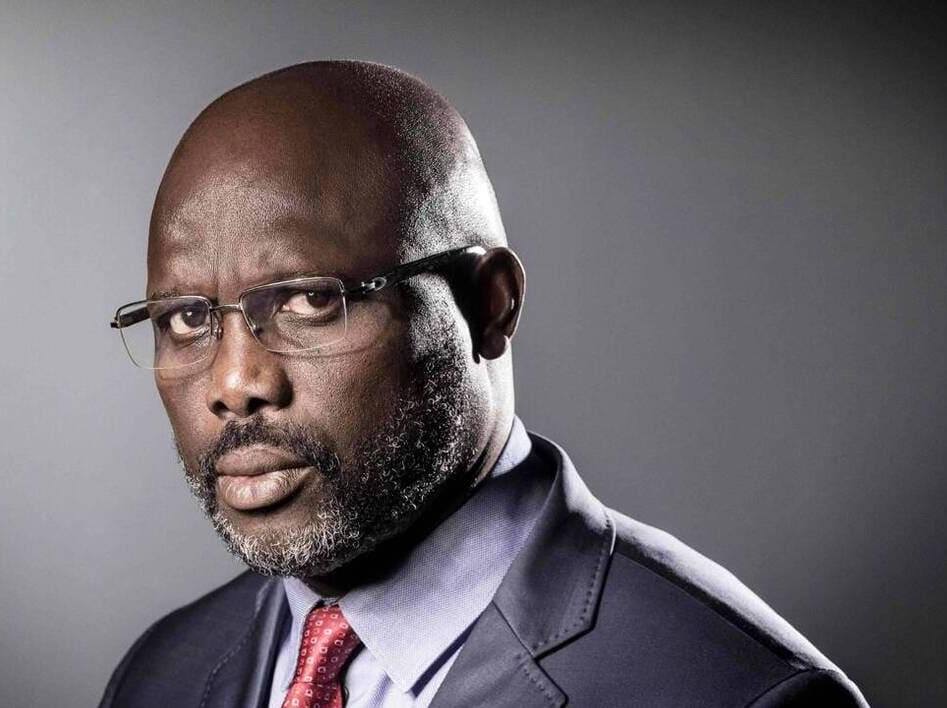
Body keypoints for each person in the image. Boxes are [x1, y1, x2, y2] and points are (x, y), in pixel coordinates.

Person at [100, 60, 867, 708]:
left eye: (309, 300)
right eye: (186, 319)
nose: (235, 383)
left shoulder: (741, 693)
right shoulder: (158, 676)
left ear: (489, 306)